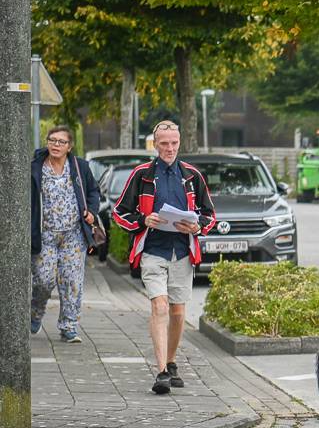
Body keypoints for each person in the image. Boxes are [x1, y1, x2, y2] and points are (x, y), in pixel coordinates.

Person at [111, 120, 218, 395]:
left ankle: (171, 362)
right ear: (155, 145)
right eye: (164, 144)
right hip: (152, 250)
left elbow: (209, 215)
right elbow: (120, 213)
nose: (169, 148)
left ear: (179, 143)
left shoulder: (192, 175)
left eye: (173, 143)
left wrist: (196, 226)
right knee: (159, 306)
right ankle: (160, 372)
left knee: (178, 312)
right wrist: (144, 220)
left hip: (183, 251)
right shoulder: (142, 174)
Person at [30, 125, 102, 343]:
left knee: (72, 282)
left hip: (73, 234)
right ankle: (35, 312)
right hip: (44, 234)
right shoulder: (35, 168)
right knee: (44, 279)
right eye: (52, 140)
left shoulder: (80, 167)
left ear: (69, 146)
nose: (56, 145)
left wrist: (91, 212)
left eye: (61, 142)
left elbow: (93, 192)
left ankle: (68, 326)